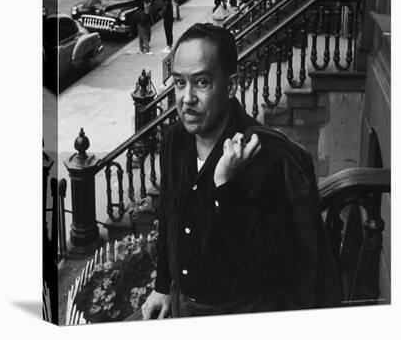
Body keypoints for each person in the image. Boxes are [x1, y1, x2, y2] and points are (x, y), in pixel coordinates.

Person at [141, 23, 342, 319]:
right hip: (183, 306)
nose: (186, 98)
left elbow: (276, 266)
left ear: (231, 86)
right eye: (179, 83)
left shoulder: (267, 157)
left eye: (202, 83)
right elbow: (169, 217)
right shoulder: (174, 141)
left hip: (240, 313)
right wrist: (161, 285)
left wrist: (226, 187)